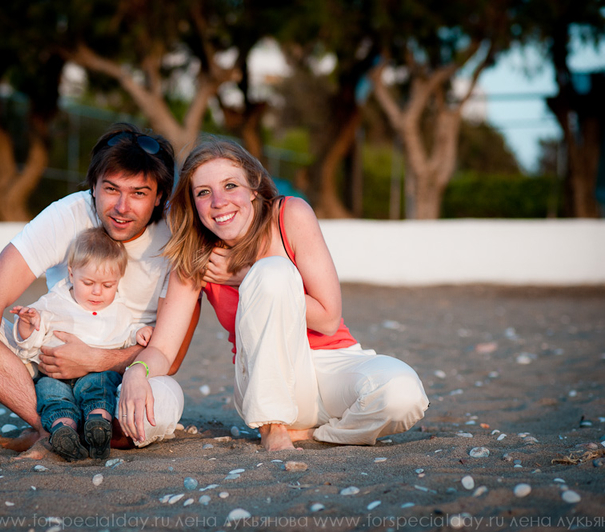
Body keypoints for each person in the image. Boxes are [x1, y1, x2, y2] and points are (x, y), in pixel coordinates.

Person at [118, 138, 429, 451]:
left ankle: (314, 434)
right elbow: (164, 349)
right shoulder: (197, 254)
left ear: (254, 187)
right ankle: (273, 426)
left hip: (335, 360)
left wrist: (244, 276)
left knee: (403, 394)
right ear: (193, 202)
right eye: (203, 192)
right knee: (273, 271)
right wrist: (136, 373)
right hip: (267, 380)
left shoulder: (289, 215)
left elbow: (329, 319)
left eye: (230, 185)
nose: (219, 201)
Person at [0, 123, 197, 457]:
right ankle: (52, 428)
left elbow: (173, 356)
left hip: (131, 370)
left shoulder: (177, 236)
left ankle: (76, 427)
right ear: (94, 186)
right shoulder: (67, 215)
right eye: (111, 189)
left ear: (159, 196)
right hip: (50, 363)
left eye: (139, 193)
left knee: (153, 409)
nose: (122, 206)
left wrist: (94, 359)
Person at [12, 227, 154, 461]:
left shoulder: (118, 309)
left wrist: (140, 332)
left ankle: (98, 424)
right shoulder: (53, 302)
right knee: (51, 395)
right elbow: (31, 343)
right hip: (55, 375)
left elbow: (127, 333)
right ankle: (63, 430)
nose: (97, 292)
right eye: (88, 283)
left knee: (101, 386)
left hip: (96, 373)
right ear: (71, 274)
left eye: (107, 286)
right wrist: (27, 326)